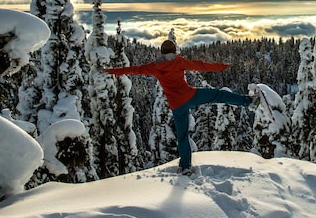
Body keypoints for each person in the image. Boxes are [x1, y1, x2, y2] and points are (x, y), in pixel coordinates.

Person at [105, 39, 254, 176]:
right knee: (218, 95)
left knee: (182, 136)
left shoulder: (154, 67)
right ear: (174, 51)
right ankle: (248, 102)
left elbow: (133, 70)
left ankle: (185, 166)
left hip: (176, 105)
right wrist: (222, 67)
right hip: (190, 95)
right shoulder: (179, 62)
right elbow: (200, 65)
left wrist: (111, 71)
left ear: (162, 53)